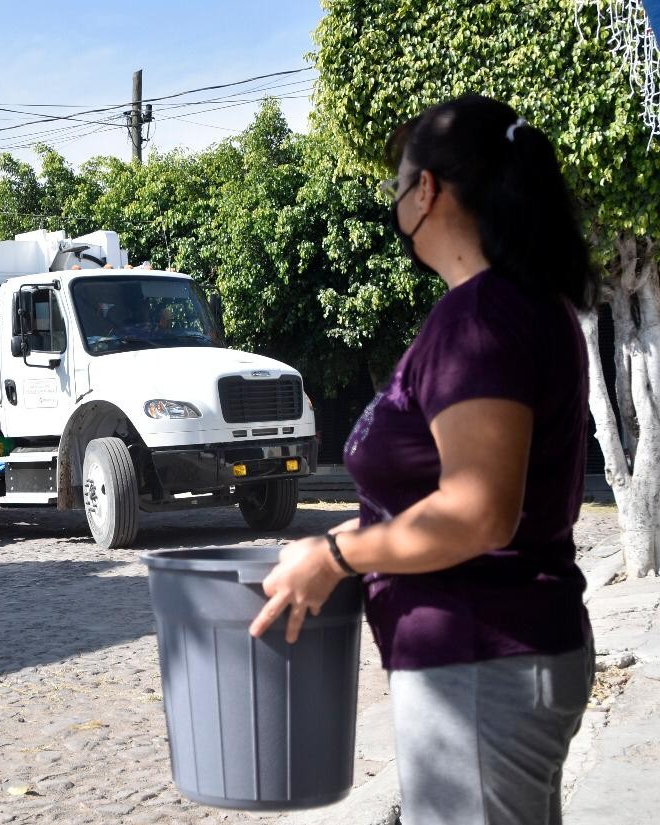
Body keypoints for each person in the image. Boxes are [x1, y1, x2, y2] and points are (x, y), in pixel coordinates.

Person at [248, 94, 599, 825]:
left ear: (428, 191)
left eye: (397, 187)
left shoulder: (481, 316)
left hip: (482, 660)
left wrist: (337, 554)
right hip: (497, 660)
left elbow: (478, 510)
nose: (395, 203)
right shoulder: (519, 304)